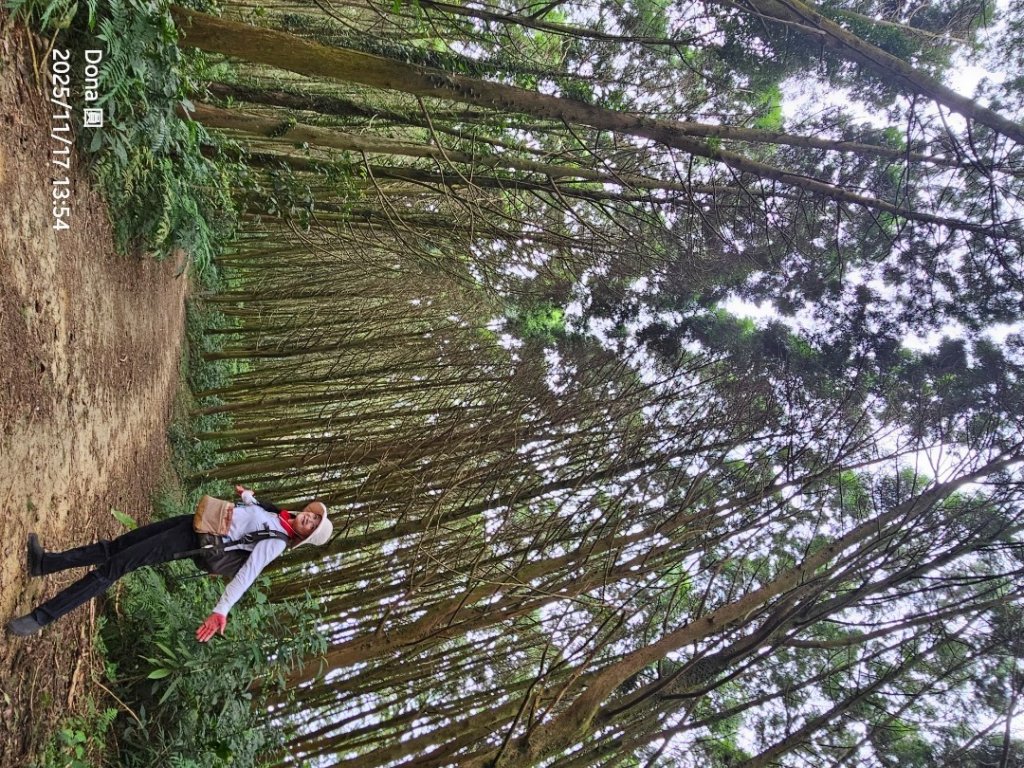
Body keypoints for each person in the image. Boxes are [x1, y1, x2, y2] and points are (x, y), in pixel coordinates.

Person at [5, 485, 332, 640]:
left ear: (305, 536)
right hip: (195, 523)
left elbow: (247, 574)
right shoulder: (279, 517)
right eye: (312, 516)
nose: (308, 519)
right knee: (116, 546)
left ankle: (40, 617)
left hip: (193, 543)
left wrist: (222, 609)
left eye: (312, 524)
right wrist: (246, 496)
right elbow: (253, 511)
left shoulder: (276, 543)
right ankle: (45, 563)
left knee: (114, 568)